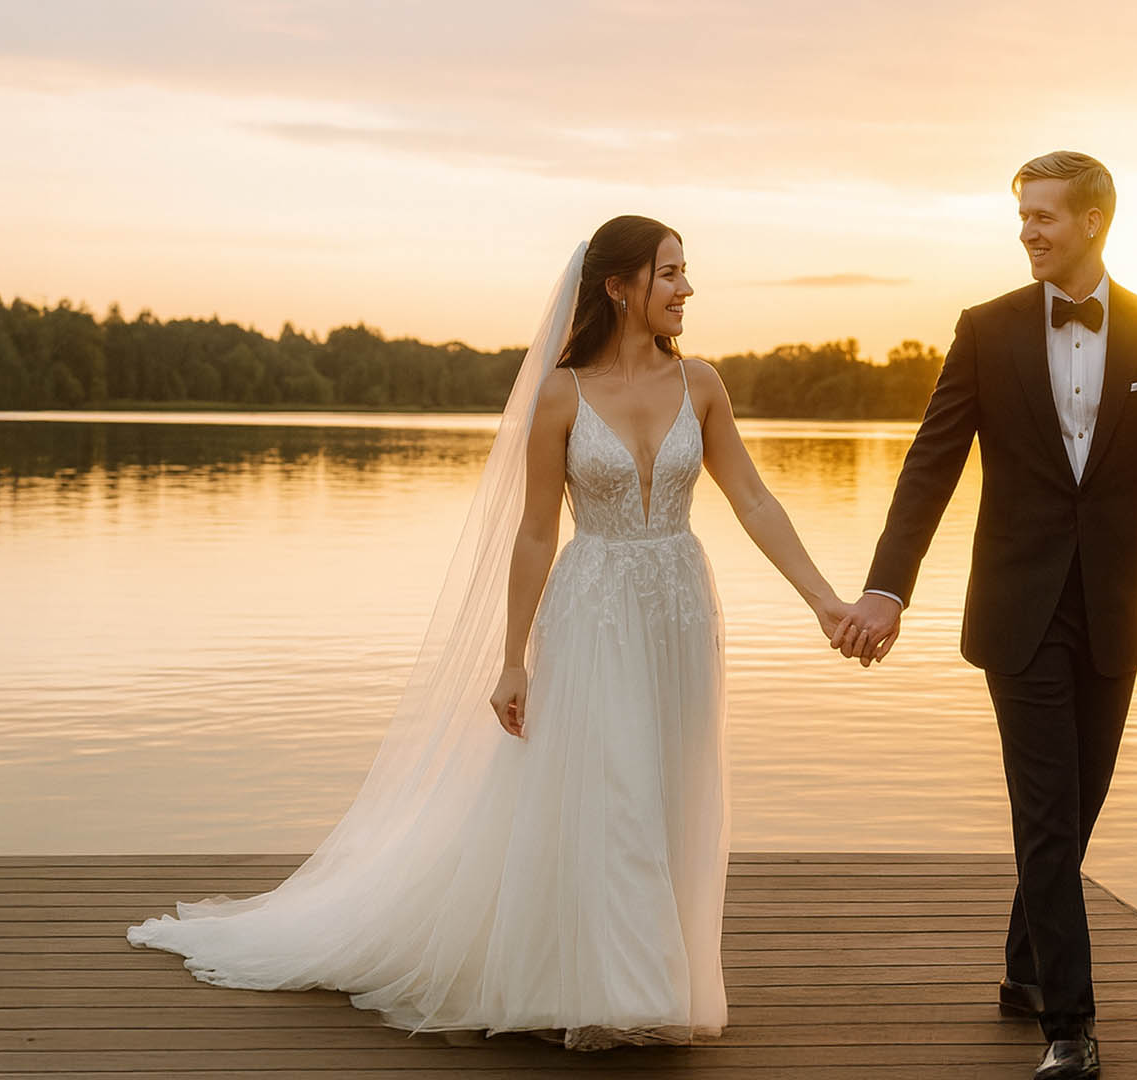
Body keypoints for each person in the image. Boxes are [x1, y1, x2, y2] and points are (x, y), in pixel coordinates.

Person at [127, 215, 850, 1051]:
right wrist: (513, 660)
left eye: (687, 273)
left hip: (679, 607)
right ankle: (614, 991)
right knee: (610, 789)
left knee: (668, 786)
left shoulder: (705, 386)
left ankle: (655, 982)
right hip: (595, 611)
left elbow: (754, 502)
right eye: (671, 273)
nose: (688, 289)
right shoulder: (562, 394)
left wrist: (823, 601)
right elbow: (538, 531)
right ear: (620, 288)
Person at [830, 151, 1137, 1080]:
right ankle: (1071, 1027)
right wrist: (887, 587)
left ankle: (1020, 969)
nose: (1028, 232)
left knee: (1076, 809)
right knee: (1048, 812)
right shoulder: (985, 329)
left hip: (1118, 609)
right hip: (1017, 609)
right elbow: (932, 464)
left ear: (1094, 220)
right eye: (1022, 217)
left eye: (1045, 216)